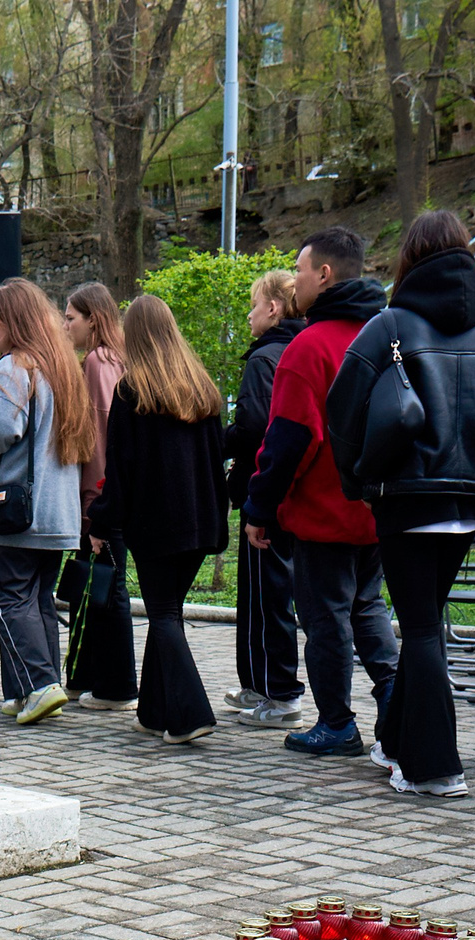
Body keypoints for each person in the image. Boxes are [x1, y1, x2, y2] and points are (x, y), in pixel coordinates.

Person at [324, 212, 475, 797]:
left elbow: (342, 408)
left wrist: (357, 479)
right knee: (427, 618)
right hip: (466, 495)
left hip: (406, 494)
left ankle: (432, 767)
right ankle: (397, 742)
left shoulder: (391, 324)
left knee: (423, 628)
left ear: (410, 256)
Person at [245, 228, 399, 757]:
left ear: (325, 275)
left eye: (301, 268)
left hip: (323, 510)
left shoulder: (309, 346)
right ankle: (397, 699)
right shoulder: (390, 336)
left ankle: (337, 723)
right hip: (378, 507)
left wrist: (259, 506)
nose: (296, 279)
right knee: (367, 606)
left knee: (325, 617)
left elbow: (289, 439)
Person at [86, 295, 227, 744]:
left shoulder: (132, 392)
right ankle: (154, 710)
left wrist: (101, 520)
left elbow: (120, 468)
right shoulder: (201, 386)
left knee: (164, 614)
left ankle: (189, 715)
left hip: (155, 524)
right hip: (200, 521)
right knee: (169, 612)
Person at [0, 276, 92, 726]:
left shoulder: (16, 366)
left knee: (6, 598)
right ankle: (27, 689)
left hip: (15, 510)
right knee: (36, 601)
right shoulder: (63, 368)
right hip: (56, 511)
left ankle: (38, 684)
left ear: (15, 321)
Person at [220, 268, 303, 723]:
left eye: (254, 306)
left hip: (264, 492)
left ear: (272, 308)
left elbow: (254, 426)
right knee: (260, 593)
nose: (250, 315)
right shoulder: (297, 350)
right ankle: (258, 683)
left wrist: (218, 442)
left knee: (267, 594)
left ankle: (280, 690)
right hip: (285, 491)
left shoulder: (264, 359)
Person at [61, 282, 137, 712]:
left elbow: (102, 439)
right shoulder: (115, 359)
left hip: (102, 500)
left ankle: (117, 686)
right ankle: (84, 676)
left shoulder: (98, 360)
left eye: (71, 317)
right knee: (90, 585)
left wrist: (95, 508)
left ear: (93, 319)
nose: (66, 324)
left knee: (106, 587)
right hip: (106, 498)